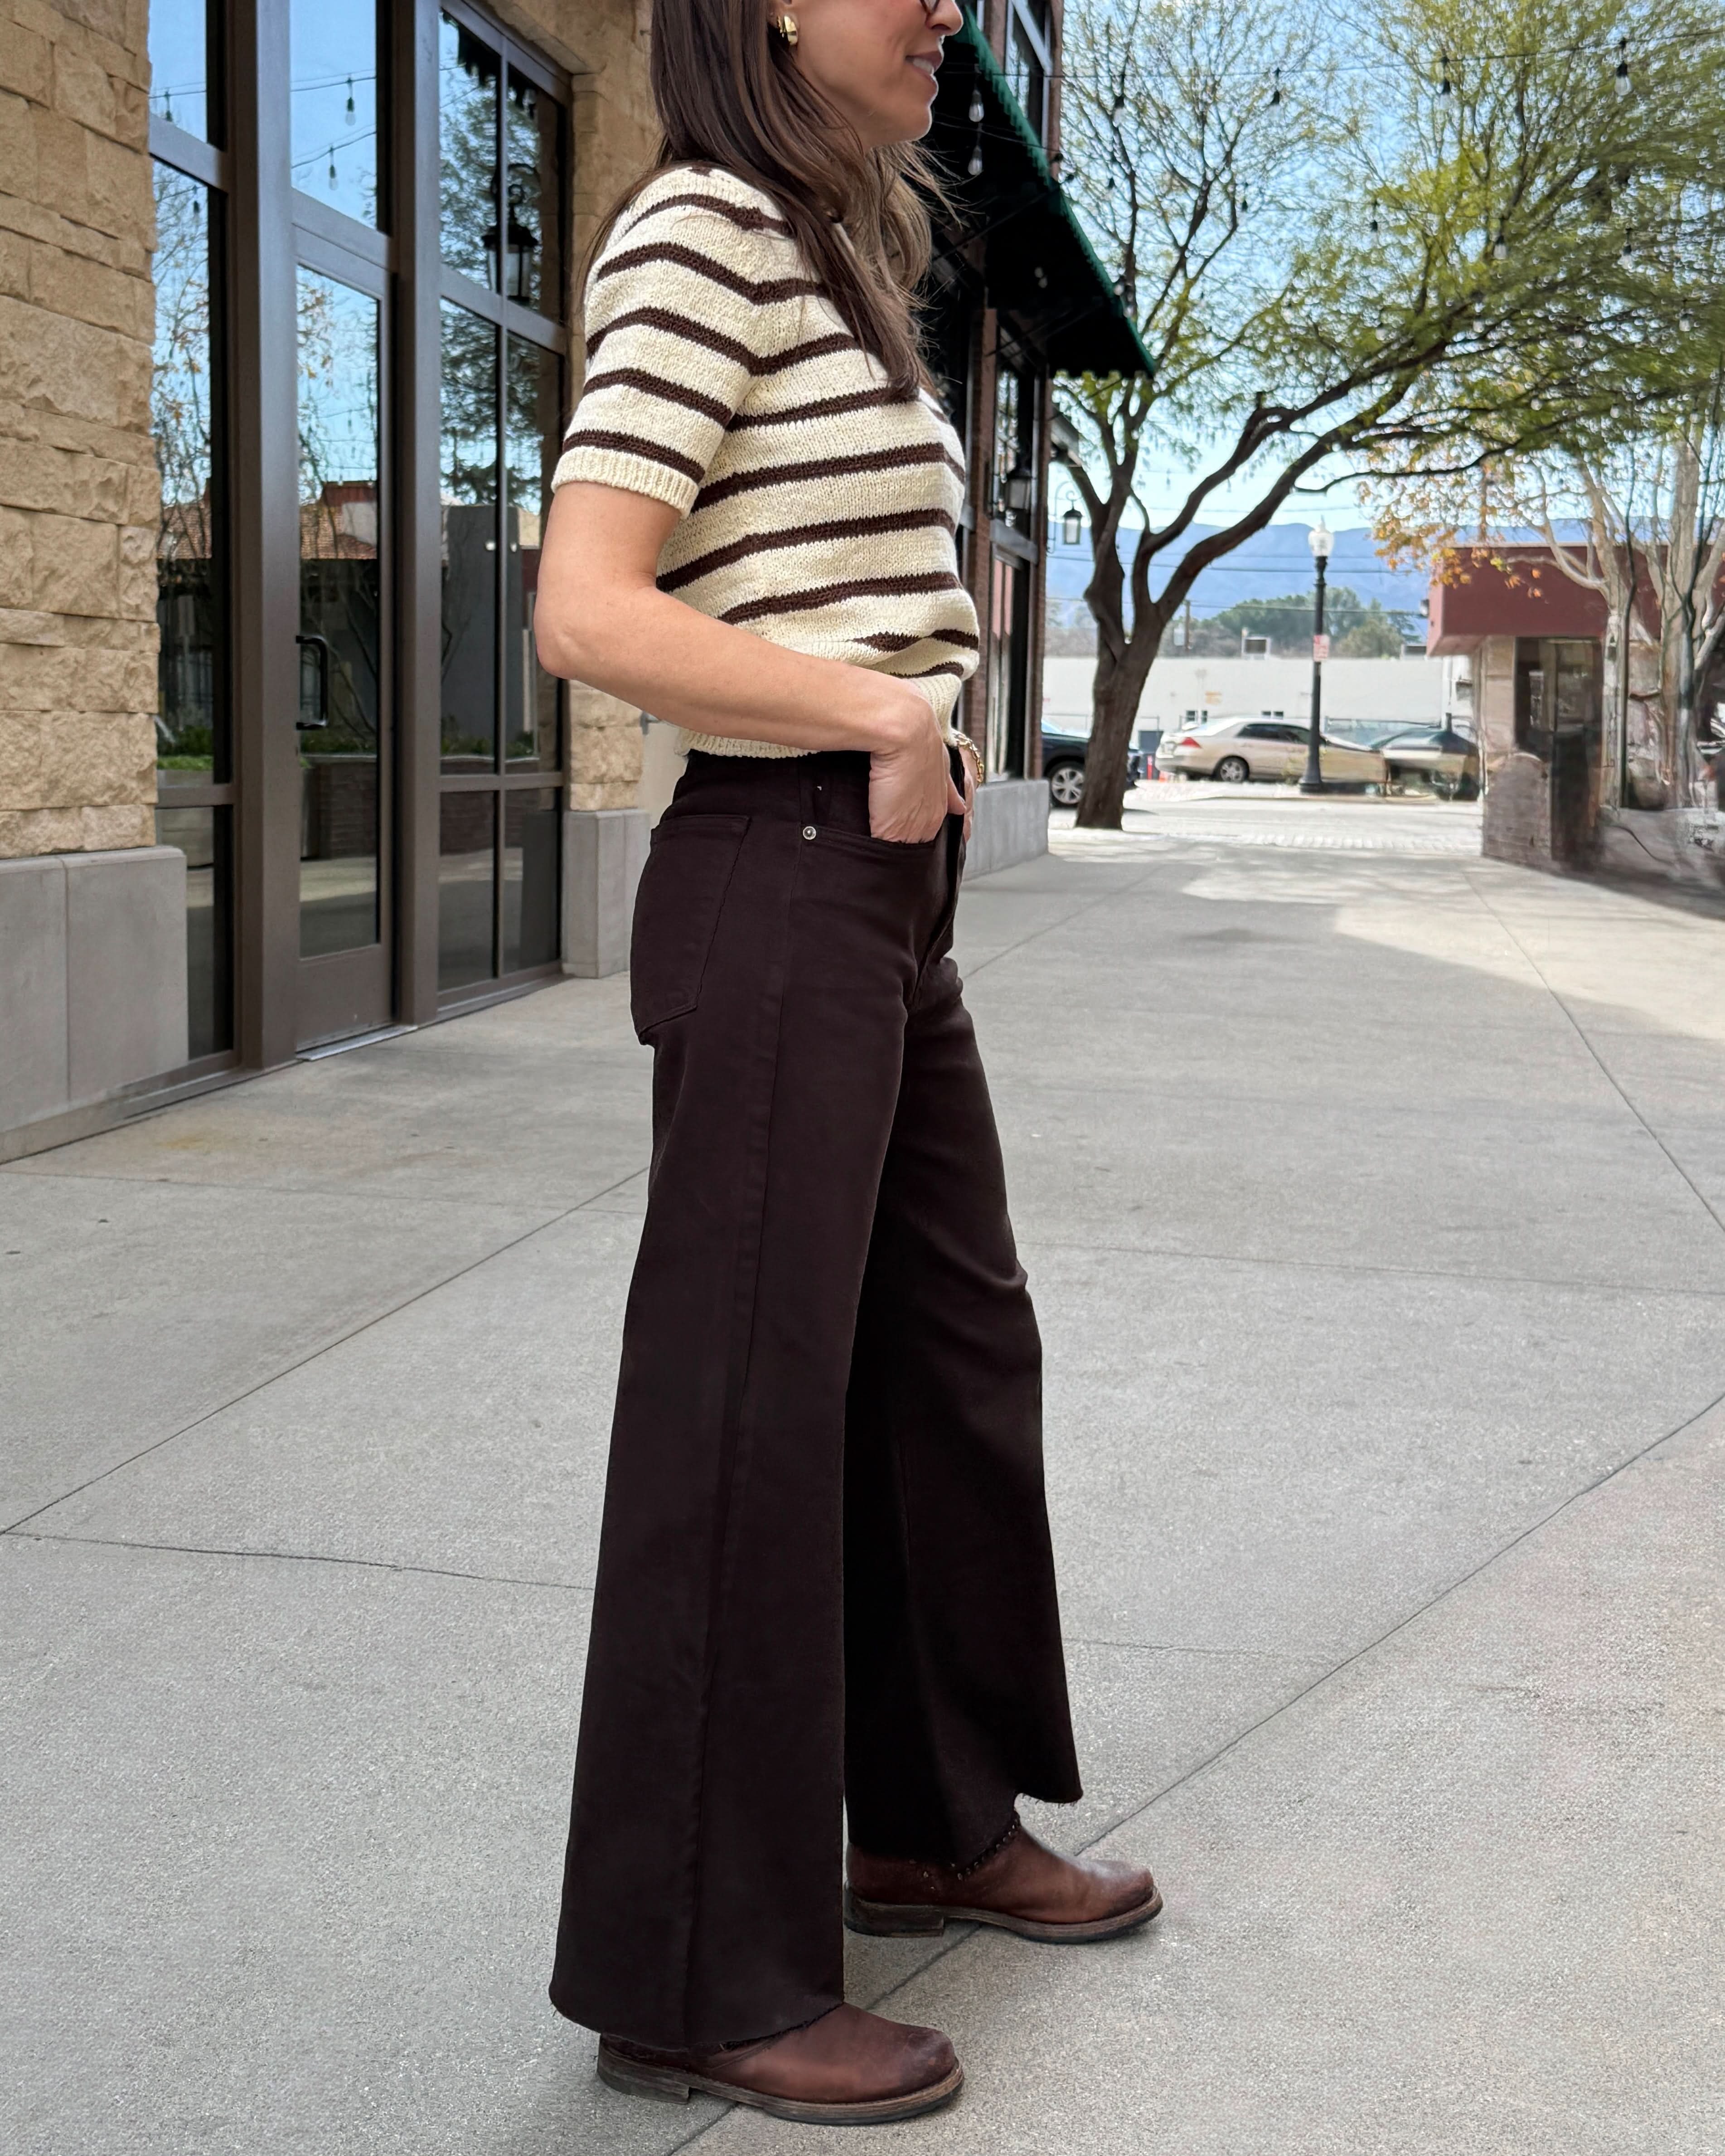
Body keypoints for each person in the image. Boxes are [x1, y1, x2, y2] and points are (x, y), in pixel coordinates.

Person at [533, 0, 1160, 2124]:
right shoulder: (702, 226)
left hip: (880, 903)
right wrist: (883, 710)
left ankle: (922, 1808)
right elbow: (589, 606)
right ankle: (690, 1968)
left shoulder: (827, 251)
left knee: (944, 1362)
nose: (945, 16)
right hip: (776, 873)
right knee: (742, 1421)